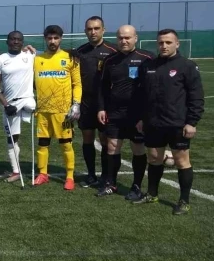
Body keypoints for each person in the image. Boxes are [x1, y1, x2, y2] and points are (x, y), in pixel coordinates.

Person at [133, 29, 204, 214]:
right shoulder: (149, 65)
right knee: (154, 159)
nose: (164, 46)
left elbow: (196, 97)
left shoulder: (187, 66)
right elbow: (142, 95)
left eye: (168, 42)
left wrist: (192, 122)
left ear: (177, 44)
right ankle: (152, 194)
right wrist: (141, 118)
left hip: (177, 124)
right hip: (153, 123)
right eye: (161, 42)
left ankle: (184, 201)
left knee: (181, 161)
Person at [95, 26, 153, 199]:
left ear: (135, 38)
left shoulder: (147, 58)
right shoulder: (110, 60)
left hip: (137, 114)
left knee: (138, 148)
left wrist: (146, 115)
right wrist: (101, 108)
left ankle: (136, 186)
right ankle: (111, 183)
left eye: (127, 38)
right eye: (120, 38)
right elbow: (103, 86)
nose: (124, 41)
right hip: (115, 112)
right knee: (112, 147)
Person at [33, 25, 82, 191]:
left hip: (63, 111)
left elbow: (77, 84)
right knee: (42, 143)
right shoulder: (37, 59)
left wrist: (76, 104)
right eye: (49, 38)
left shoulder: (70, 58)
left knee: (66, 144)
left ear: (61, 38)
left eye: (56, 38)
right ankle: (43, 174)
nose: (52, 41)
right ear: (45, 39)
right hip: (43, 111)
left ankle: (70, 176)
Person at [75, 16, 118, 187]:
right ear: (85, 31)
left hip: (105, 104)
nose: (93, 32)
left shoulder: (113, 51)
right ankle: (91, 174)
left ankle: (106, 176)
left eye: (96, 28)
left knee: (105, 139)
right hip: (85, 103)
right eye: (89, 29)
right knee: (87, 138)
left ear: (103, 30)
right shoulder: (80, 51)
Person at [0, 31, 36, 183]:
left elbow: (51, 53)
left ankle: (29, 108)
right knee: (12, 138)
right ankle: (16, 171)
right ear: (7, 41)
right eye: (13, 39)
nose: (16, 42)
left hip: (27, 99)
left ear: (23, 42)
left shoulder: (30, 56)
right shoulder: (0, 59)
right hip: (10, 103)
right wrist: (6, 105)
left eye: (19, 40)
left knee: (30, 105)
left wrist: (73, 52)